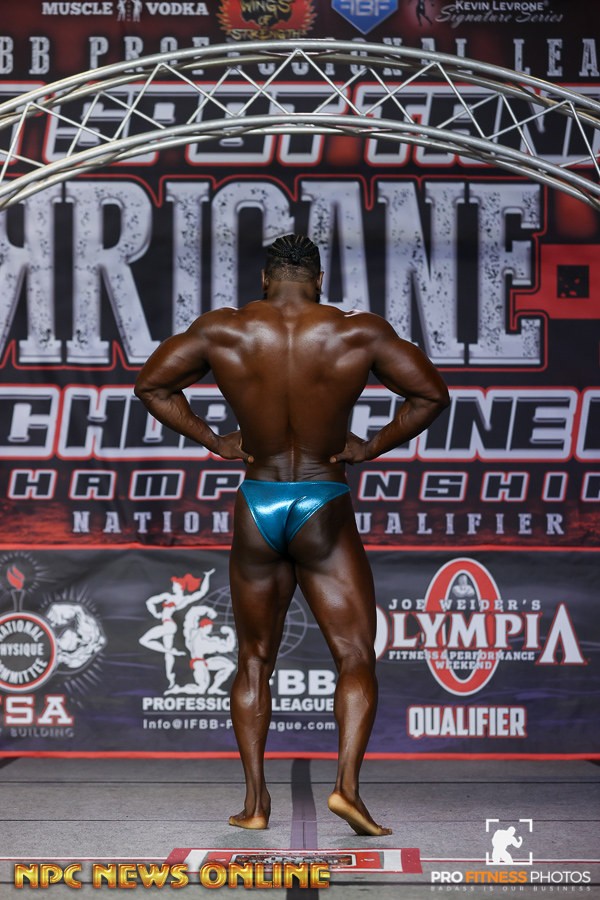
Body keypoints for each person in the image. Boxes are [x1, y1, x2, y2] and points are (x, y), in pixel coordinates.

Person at [134, 234, 449, 836]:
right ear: (320, 279)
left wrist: (216, 440)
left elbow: (152, 385)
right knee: (354, 654)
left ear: (264, 278)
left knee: (253, 658)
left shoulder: (222, 329)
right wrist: (369, 447)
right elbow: (431, 394)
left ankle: (255, 803)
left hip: (258, 501)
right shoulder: (359, 332)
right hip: (321, 499)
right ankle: (346, 790)